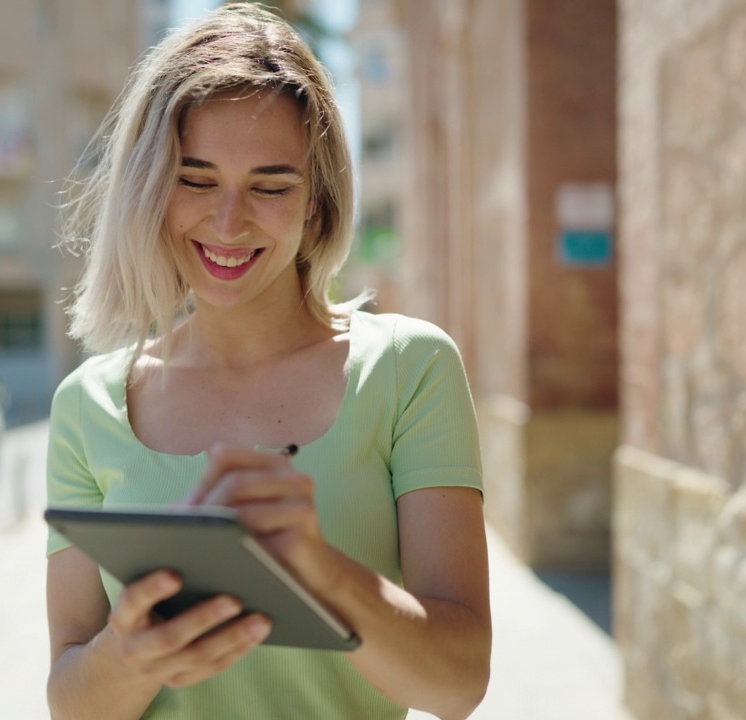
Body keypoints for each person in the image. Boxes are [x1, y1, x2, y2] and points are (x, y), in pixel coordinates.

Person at [45, 4, 490, 719]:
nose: (228, 222)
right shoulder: (86, 405)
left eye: (271, 186)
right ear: (152, 188)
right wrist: (125, 659)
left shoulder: (411, 369)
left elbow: (459, 684)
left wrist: (320, 570)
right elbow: (70, 701)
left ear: (316, 203)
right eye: (195, 179)